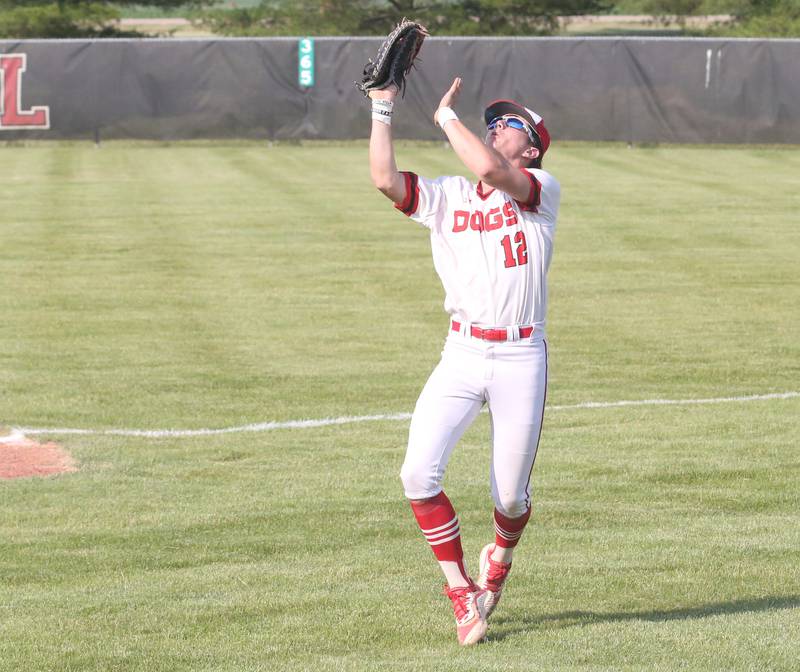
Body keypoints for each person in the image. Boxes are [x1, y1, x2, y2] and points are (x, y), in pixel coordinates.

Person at [368, 77, 561, 646]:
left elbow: (496, 175)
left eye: (512, 126)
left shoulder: (541, 188)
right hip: (461, 350)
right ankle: (461, 591)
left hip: (521, 355)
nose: (498, 126)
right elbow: (384, 179)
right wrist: (383, 107)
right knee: (416, 475)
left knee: (509, 496)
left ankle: (499, 557)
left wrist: (447, 119)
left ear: (532, 149)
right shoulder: (450, 195)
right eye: (494, 122)